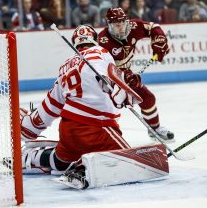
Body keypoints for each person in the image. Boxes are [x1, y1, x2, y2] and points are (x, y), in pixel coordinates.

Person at [20, 25, 135, 174]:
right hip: (95, 128)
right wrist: (120, 86)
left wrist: (30, 127)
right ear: (95, 40)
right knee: (129, 161)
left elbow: (53, 103)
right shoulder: (101, 53)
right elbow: (108, 77)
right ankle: (83, 166)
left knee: (62, 160)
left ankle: (34, 157)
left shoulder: (65, 67)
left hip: (68, 130)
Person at [97, 7, 174, 142]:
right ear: (109, 25)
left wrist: (159, 39)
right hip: (106, 81)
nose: (121, 28)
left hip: (126, 75)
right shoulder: (103, 41)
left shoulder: (133, 26)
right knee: (107, 109)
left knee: (148, 98)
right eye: (116, 25)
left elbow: (153, 26)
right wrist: (123, 78)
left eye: (123, 24)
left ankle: (154, 129)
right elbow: (102, 70)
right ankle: (100, 137)